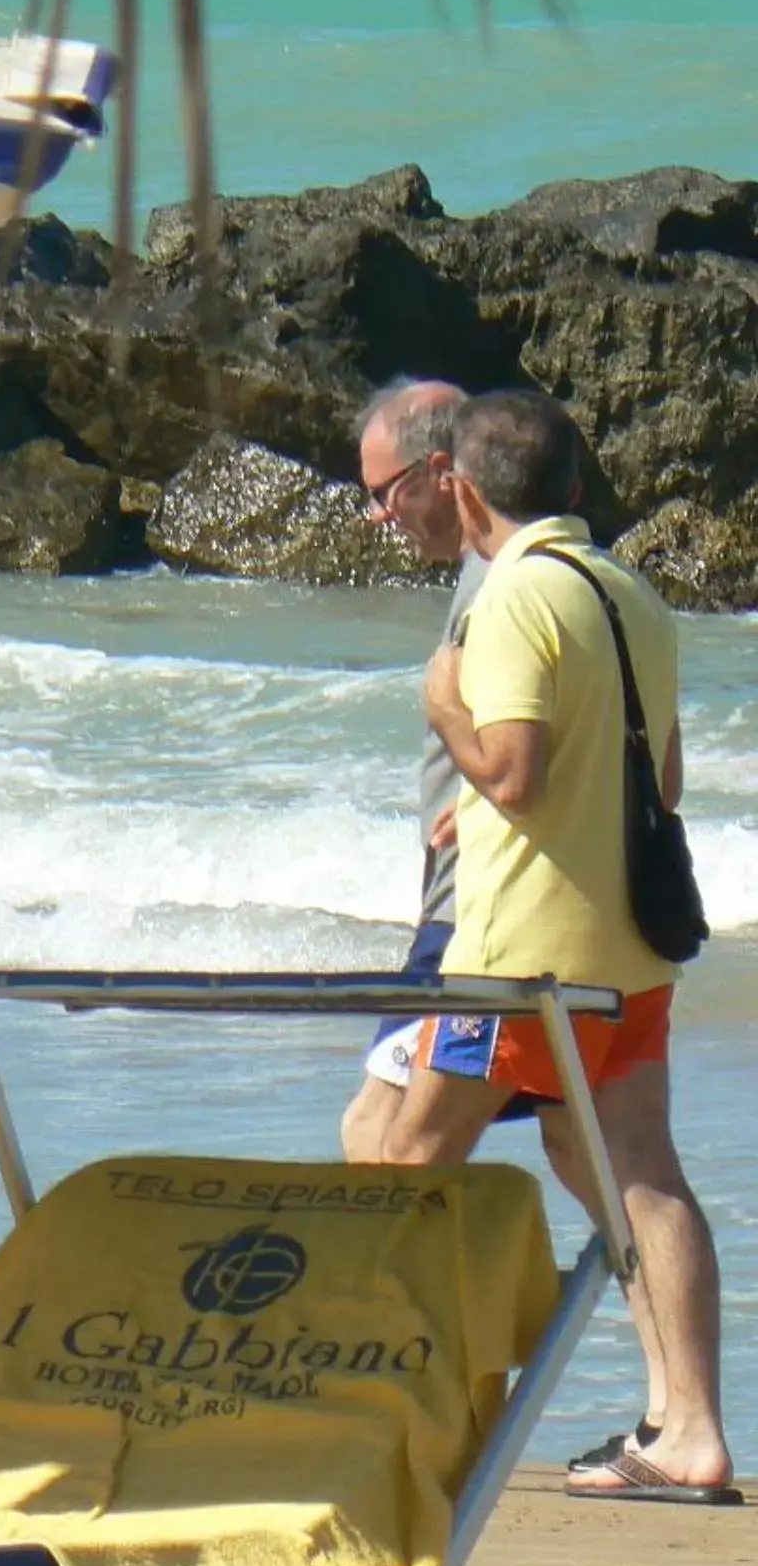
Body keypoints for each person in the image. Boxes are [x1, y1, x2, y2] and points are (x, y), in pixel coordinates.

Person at [373, 390, 735, 1505]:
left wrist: (447, 715)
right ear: (576, 489)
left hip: (519, 959)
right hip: (626, 948)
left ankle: (365, 1417)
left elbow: (518, 768)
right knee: (642, 1173)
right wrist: (477, 806)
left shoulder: (515, 596)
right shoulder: (634, 592)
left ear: (465, 491)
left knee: (394, 1168)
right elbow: (656, 783)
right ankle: (694, 1433)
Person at [340, 379, 484, 1162]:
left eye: (386, 493)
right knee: (602, 1150)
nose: (379, 516)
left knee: (380, 1137)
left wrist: (489, 803)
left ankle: (402, 1291)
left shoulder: (500, 581)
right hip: (497, 911)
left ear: (437, 470)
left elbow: (522, 754)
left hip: (473, 918)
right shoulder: (511, 574)